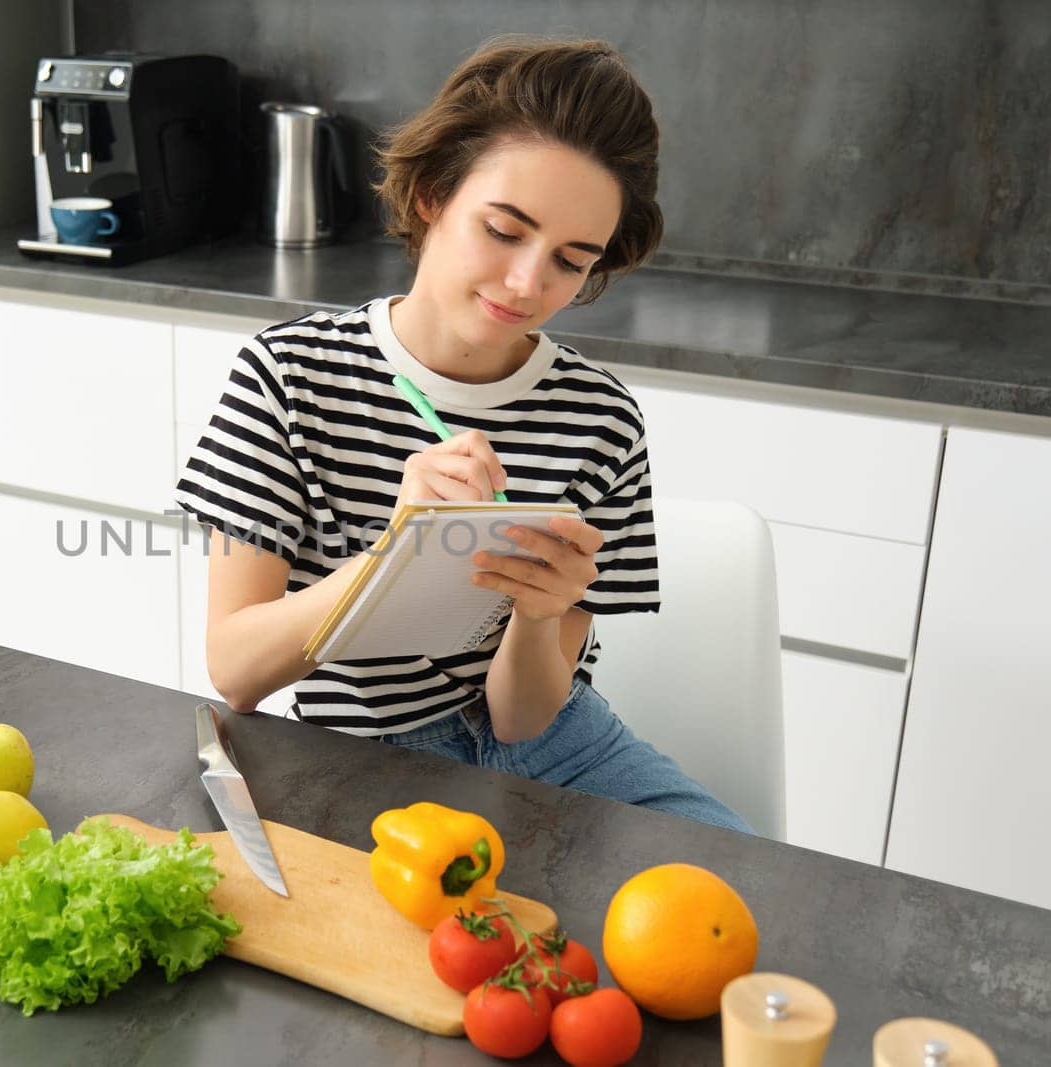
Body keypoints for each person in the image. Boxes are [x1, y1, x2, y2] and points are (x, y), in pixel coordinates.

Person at [175, 36, 751, 834]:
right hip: (361, 756)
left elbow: (525, 720)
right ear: (433, 195)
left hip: (566, 750)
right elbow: (235, 670)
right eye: (505, 230)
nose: (528, 283)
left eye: (570, 260)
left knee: (753, 899)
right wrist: (396, 557)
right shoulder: (287, 376)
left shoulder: (602, 419)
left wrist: (540, 615)